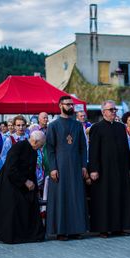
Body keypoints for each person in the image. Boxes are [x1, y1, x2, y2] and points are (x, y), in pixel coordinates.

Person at [0, 131, 46, 244]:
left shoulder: (33, 151)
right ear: (35, 141)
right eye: (41, 144)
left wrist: (34, 187)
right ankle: (11, 236)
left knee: (30, 205)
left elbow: (31, 171)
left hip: (24, 183)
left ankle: (29, 235)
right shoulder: (19, 147)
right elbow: (11, 168)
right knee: (13, 209)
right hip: (9, 182)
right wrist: (25, 181)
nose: (41, 147)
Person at [88, 101, 130, 238]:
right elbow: (93, 150)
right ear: (103, 112)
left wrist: (129, 168)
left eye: (115, 109)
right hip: (103, 170)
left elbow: (126, 149)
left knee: (119, 198)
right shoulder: (96, 128)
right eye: (111, 109)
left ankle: (118, 227)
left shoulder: (120, 127)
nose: (114, 111)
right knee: (104, 199)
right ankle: (104, 228)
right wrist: (94, 169)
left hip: (120, 169)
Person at [46, 96, 89, 241]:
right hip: (60, 166)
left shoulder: (77, 125)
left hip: (76, 165)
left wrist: (84, 165)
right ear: (60, 105)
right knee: (61, 198)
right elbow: (50, 148)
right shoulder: (53, 125)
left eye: (72, 104)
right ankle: (61, 231)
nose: (71, 106)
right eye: (68, 104)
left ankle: (76, 229)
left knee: (75, 197)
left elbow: (83, 147)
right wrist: (53, 167)